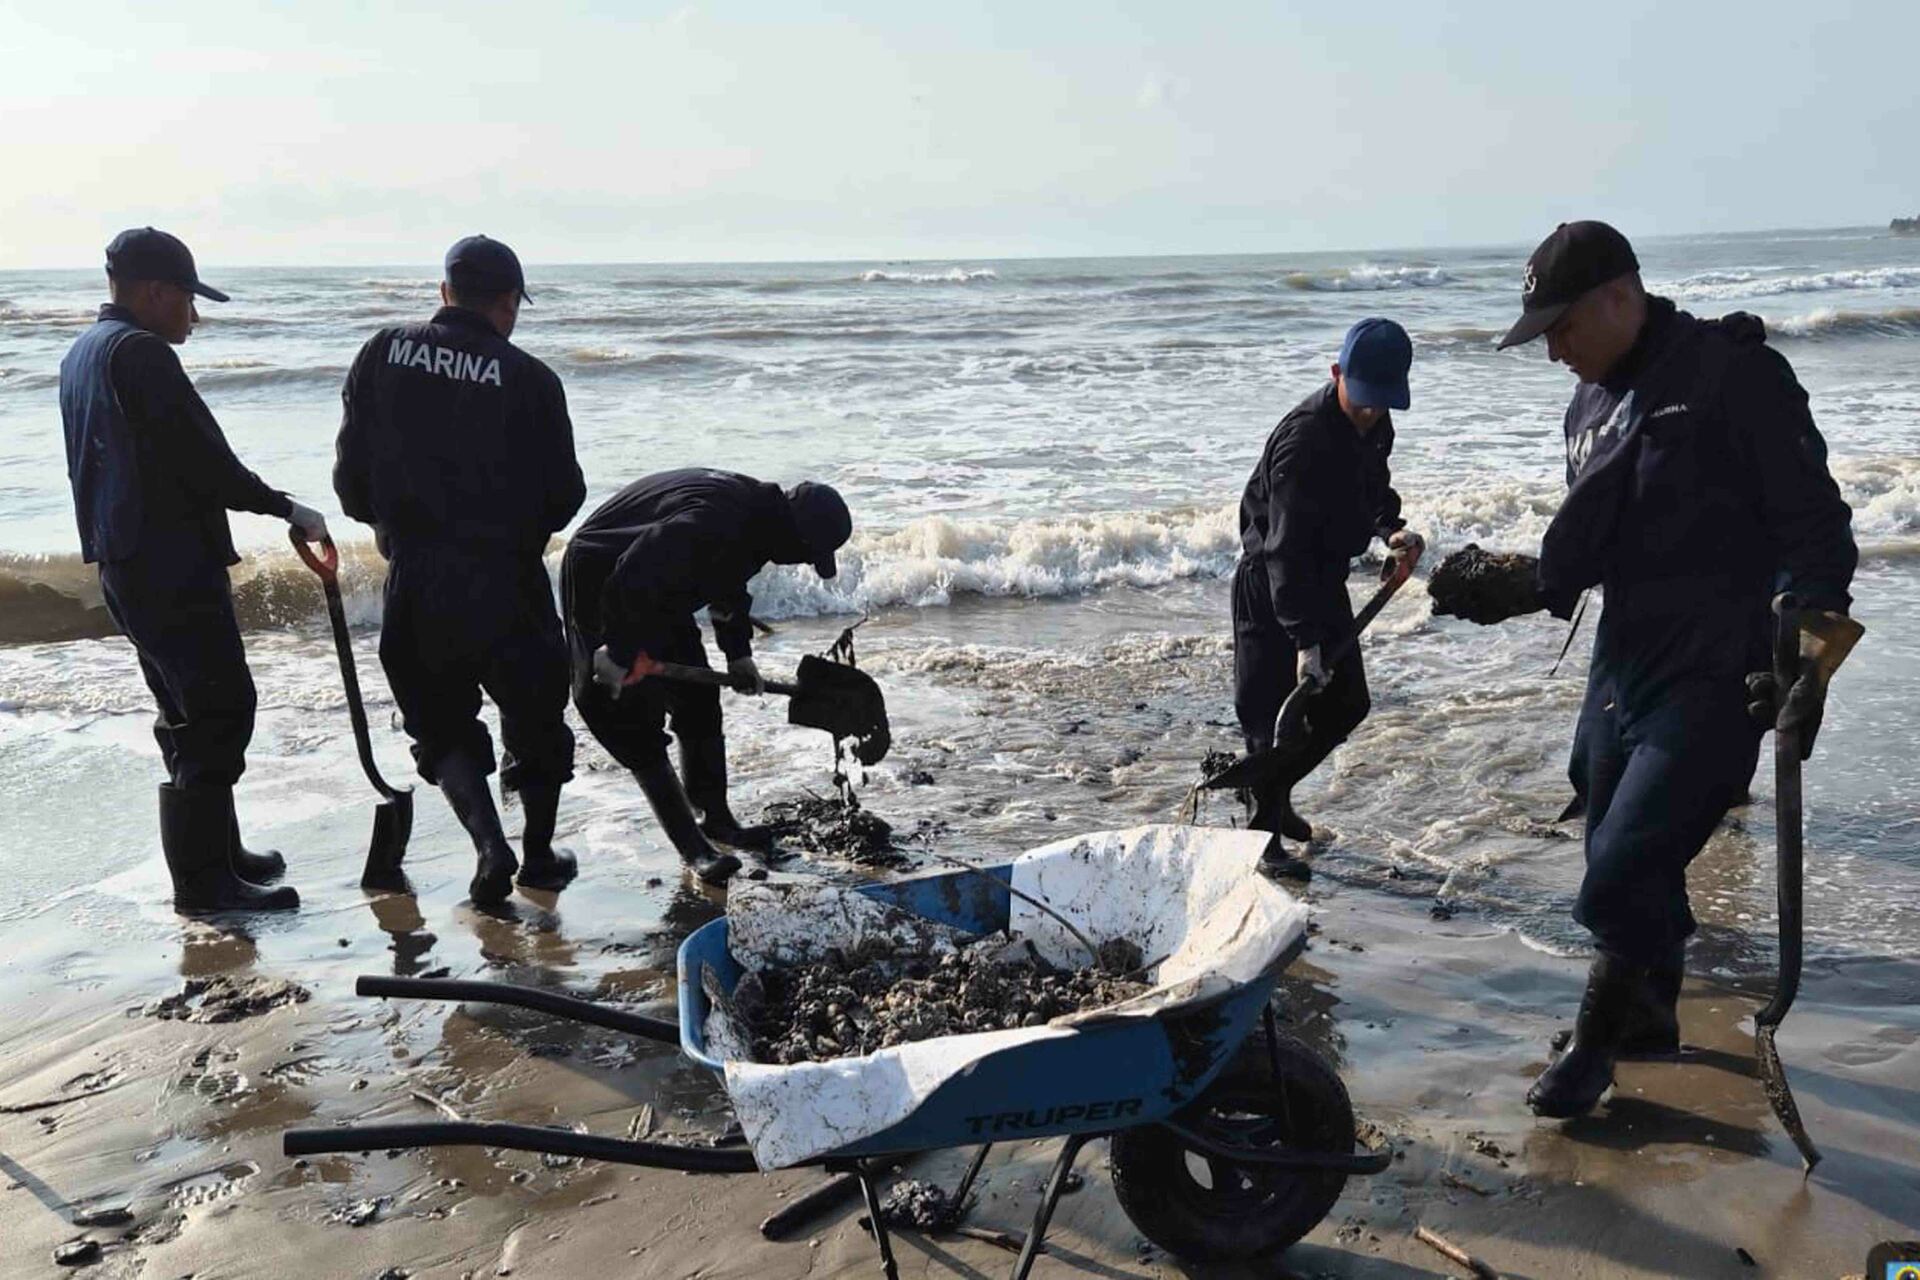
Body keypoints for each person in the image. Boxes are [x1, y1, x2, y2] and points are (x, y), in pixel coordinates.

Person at [1483, 221, 1857, 1117]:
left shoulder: (1734, 376)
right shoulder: (1587, 405)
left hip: (1719, 664)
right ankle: (1649, 1012)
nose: (1554, 353)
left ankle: (1595, 1047)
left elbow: (1817, 529)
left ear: (1621, 295)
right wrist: (1515, 582)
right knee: (1606, 820)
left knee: (1622, 865)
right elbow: (1593, 538)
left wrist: (1809, 660)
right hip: (1625, 658)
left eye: (1562, 328)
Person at [59, 227, 330, 913]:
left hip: (122, 560)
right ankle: (205, 886)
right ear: (155, 292)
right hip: (169, 561)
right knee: (220, 708)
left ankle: (219, 856)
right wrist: (286, 507)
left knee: (183, 711)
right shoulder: (141, 354)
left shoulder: (83, 353)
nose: (195, 316)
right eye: (188, 298)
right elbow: (206, 461)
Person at [334, 235, 586, 907]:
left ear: (445, 293)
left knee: (440, 721)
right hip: (507, 576)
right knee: (535, 717)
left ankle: (488, 847)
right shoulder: (532, 379)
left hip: (418, 574)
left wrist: (387, 525)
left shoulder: (382, 351)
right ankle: (538, 855)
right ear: (508, 303)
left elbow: (351, 477)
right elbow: (565, 494)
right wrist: (521, 534)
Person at [562, 469, 853, 885]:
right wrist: (620, 650)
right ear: (794, 535)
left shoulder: (757, 521)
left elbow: (726, 579)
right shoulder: (714, 520)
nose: (805, 562)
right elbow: (634, 571)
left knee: (697, 702)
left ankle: (715, 819)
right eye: (808, 553)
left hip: (658, 587)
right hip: (603, 576)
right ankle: (695, 850)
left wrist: (738, 656)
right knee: (628, 718)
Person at [1232, 317, 1423, 871]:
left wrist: (1391, 530)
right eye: (1363, 400)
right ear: (1337, 372)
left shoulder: (1377, 421)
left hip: (1323, 579)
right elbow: (1283, 549)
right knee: (1269, 718)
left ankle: (1272, 797)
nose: (1371, 412)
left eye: (1382, 402)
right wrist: (1304, 641)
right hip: (1272, 585)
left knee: (1346, 705)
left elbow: (1373, 488)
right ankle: (1263, 841)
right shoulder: (1302, 442)